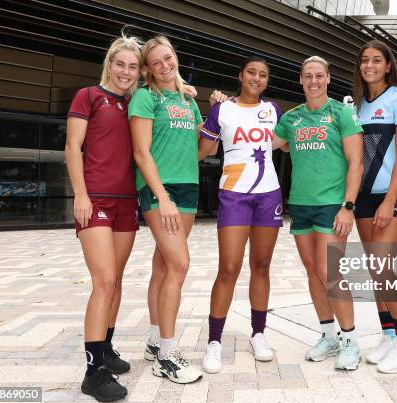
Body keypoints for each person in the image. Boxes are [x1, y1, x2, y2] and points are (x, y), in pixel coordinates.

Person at [275, 56, 364, 370]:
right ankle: (328, 335)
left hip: (332, 205)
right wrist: (226, 106)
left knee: (331, 273)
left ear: (328, 79)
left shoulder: (341, 113)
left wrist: (348, 206)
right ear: (300, 80)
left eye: (319, 76)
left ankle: (351, 341)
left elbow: (356, 162)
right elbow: (266, 142)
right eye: (307, 76)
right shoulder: (292, 118)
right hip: (301, 204)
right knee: (313, 271)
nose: (313, 81)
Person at [65, 34, 142, 402]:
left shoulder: (139, 103)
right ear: (109, 64)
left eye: (132, 66)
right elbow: (71, 147)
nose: (125, 71)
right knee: (105, 280)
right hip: (94, 199)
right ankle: (93, 372)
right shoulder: (89, 96)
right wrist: (80, 194)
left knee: (117, 280)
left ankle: (106, 349)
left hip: (128, 202)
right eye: (120, 64)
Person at [198, 57, 284, 373]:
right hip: (234, 194)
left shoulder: (274, 110)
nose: (257, 78)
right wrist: (202, 117)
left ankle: (258, 334)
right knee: (229, 268)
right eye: (251, 72)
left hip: (268, 194)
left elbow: (288, 144)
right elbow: (202, 151)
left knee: (261, 266)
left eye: (263, 74)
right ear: (240, 75)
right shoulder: (223, 109)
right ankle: (214, 342)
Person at [129, 35, 204, 384]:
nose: (164, 65)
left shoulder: (188, 100)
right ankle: (168, 355)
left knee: (163, 265)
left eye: (168, 58)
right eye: (156, 61)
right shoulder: (146, 98)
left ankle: (154, 341)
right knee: (179, 263)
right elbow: (142, 152)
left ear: (176, 57)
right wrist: (163, 196)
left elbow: (201, 146)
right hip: (161, 189)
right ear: (147, 68)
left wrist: (218, 109)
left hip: (189, 184)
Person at [352, 40, 397, 373]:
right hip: (364, 198)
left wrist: (390, 200)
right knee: (376, 272)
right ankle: (390, 335)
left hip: (394, 196)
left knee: (382, 266)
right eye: (365, 60)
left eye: (377, 60)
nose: (370, 66)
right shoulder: (357, 105)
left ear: (388, 65)